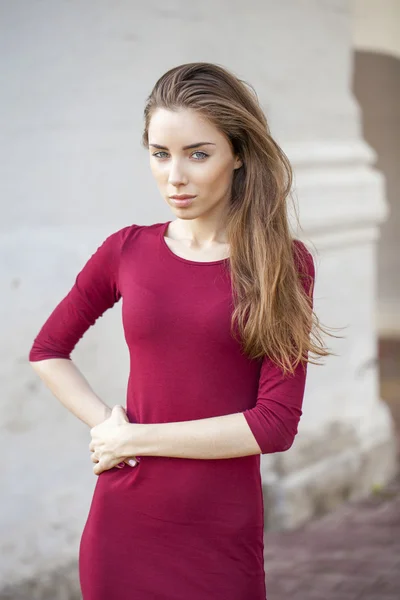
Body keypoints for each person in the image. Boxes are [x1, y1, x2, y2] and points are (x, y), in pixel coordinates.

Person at [29, 62, 329, 600]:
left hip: (220, 534)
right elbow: (48, 351)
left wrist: (133, 438)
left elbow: (274, 425)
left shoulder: (283, 263)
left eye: (198, 153)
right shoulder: (127, 250)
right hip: (123, 524)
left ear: (238, 154)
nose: (175, 176)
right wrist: (106, 425)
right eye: (160, 154)